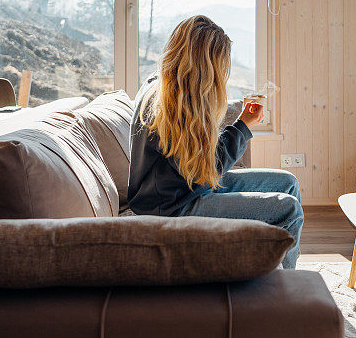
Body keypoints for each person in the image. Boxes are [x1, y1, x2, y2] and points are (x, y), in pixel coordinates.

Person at [128, 15, 303, 269]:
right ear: (204, 65)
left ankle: (284, 270)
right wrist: (242, 127)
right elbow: (209, 169)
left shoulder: (172, 88)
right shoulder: (168, 104)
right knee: (288, 210)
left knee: (288, 183)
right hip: (171, 207)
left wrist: (241, 124)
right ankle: (286, 289)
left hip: (186, 189)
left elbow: (200, 166)